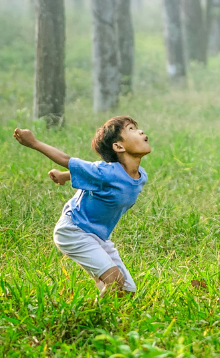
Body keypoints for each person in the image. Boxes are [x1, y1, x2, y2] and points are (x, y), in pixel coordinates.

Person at [13, 116, 151, 295]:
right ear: (118, 146)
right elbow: (66, 159)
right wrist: (34, 143)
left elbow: (92, 176)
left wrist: (64, 176)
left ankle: (107, 306)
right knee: (115, 282)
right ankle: (90, 318)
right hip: (74, 231)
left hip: (98, 237)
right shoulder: (105, 172)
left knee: (127, 291)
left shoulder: (141, 176)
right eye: (131, 129)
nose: (140, 131)